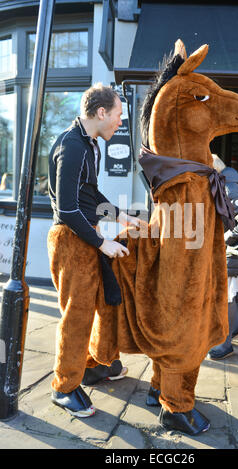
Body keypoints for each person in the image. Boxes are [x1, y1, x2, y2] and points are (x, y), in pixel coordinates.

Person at [47, 83, 141, 417]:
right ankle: (64, 386)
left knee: (99, 306)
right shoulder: (73, 146)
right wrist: (104, 242)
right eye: (117, 115)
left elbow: (90, 193)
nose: (119, 122)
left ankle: (89, 365)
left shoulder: (89, 145)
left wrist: (124, 215)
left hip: (86, 238)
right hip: (72, 242)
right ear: (101, 112)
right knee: (77, 316)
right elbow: (69, 210)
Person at [208, 155, 238, 359]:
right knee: (227, 294)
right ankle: (236, 327)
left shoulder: (229, 186)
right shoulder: (225, 182)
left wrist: (222, 239)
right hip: (236, 251)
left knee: (224, 296)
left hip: (237, 251)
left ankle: (225, 343)